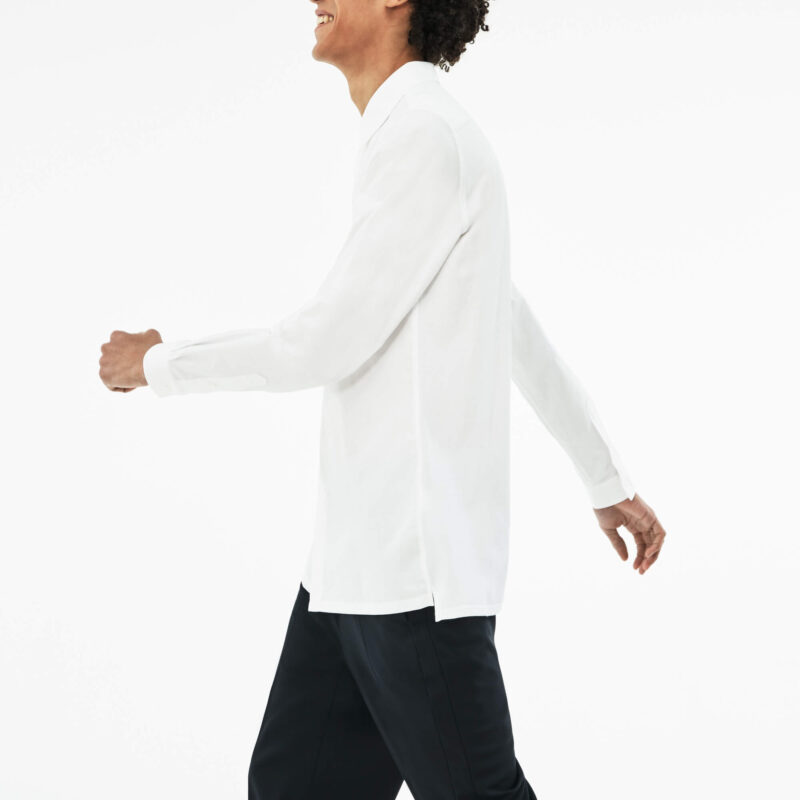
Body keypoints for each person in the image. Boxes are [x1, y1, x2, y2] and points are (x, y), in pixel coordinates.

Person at [98, 0, 667, 796]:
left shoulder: (426, 138)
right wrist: (605, 479)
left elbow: (324, 340)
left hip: (412, 581)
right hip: (349, 574)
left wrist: (159, 364)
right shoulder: (411, 136)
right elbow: (513, 326)